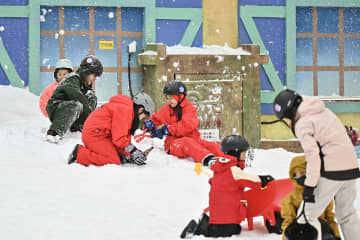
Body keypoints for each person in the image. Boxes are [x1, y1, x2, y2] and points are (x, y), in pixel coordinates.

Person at [273, 89, 360, 240]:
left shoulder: (303, 123)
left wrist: (310, 185)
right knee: (347, 214)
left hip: (332, 170)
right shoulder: (326, 112)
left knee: (306, 216)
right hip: (351, 168)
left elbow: (313, 157)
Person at [180, 135, 275, 238]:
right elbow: (251, 181)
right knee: (232, 230)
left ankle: (206, 223)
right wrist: (264, 179)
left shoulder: (221, 168)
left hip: (219, 216)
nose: (245, 156)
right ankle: (198, 229)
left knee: (228, 228)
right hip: (227, 218)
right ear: (236, 152)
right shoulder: (233, 170)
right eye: (243, 153)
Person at [144, 81, 237, 174]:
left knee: (210, 145)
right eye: (167, 98)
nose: (169, 101)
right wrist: (149, 123)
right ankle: (209, 160)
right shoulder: (167, 109)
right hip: (174, 144)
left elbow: (186, 126)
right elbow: (156, 118)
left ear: (180, 96)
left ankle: (234, 157)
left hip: (193, 139)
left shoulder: (189, 108)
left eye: (171, 98)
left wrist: (167, 129)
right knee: (187, 143)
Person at [67, 92, 155, 167]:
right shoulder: (125, 110)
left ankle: (94, 153)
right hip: (95, 135)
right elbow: (119, 139)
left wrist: (129, 156)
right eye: (145, 116)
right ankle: (79, 153)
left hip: (102, 135)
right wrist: (134, 151)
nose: (142, 119)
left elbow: (122, 138)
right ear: (141, 109)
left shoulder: (126, 110)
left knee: (116, 156)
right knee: (112, 160)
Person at [281, 155, 341, 240]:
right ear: (294, 175)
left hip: (322, 232)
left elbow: (330, 218)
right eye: (301, 173)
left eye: (307, 173)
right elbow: (288, 221)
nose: (305, 176)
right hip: (301, 233)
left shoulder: (322, 193)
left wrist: (336, 235)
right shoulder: (291, 197)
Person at [46, 55, 103, 143]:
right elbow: (78, 97)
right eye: (94, 75)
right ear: (87, 72)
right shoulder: (73, 78)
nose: (95, 78)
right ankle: (54, 132)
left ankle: (78, 125)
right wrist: (94, 120)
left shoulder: (83, 83)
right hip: (56, 108)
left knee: (91, 98)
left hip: (70, 109)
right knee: (77, 105)